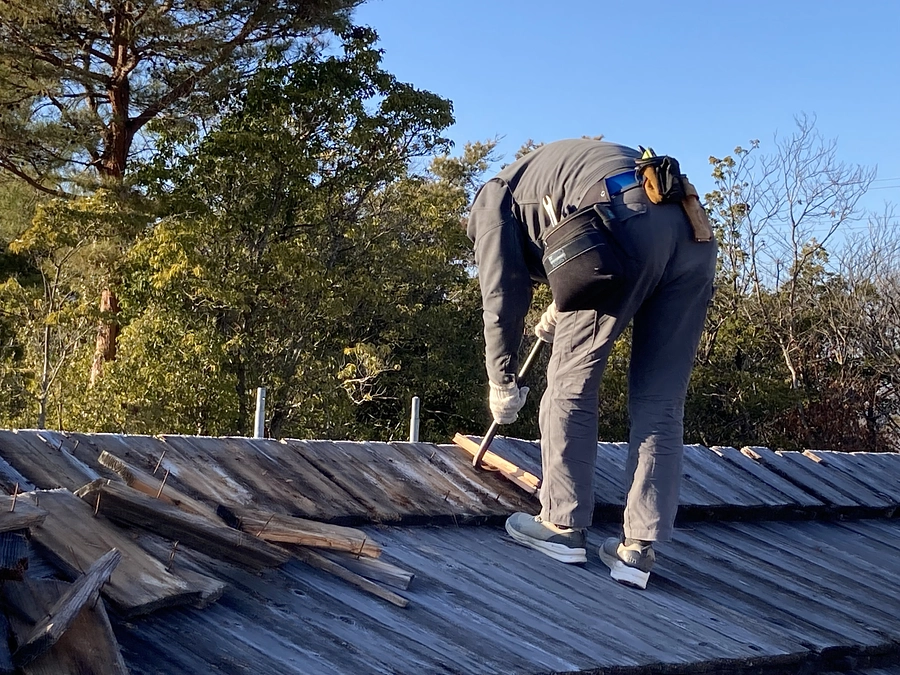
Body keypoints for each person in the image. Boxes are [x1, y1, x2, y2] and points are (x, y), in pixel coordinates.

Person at [466, 138, 717, 589]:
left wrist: (501, 379)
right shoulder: (552, 172)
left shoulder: (490, 203)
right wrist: (559, 310)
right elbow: (572, 253)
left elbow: (502, 296)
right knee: (660, 400)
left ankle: (561, 527)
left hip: (622, 223)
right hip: (690, 229)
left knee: (569, 383)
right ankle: (637, 552)